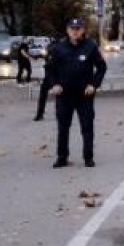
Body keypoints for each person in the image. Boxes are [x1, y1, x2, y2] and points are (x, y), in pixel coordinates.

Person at [48, 18, 107, 168]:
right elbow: (50, 69)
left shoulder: (90, 46)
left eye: (78, 28)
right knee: (63, 127)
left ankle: (88, 157)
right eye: (72, 28)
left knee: (87, 127)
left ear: (83, 30)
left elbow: (101, 67)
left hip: (84, 95)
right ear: (67, 30)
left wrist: (94, 85)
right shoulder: (58, 48)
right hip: (64, 95)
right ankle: (62, 157)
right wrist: (54, 84)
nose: (75, 31)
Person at [33, 37, 56, 121]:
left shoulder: (50, 47)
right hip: (55, 75)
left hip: (51, 75)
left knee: (43, 94)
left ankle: (40, 114)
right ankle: (40, 114)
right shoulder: (59, 47)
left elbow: (44, 55)